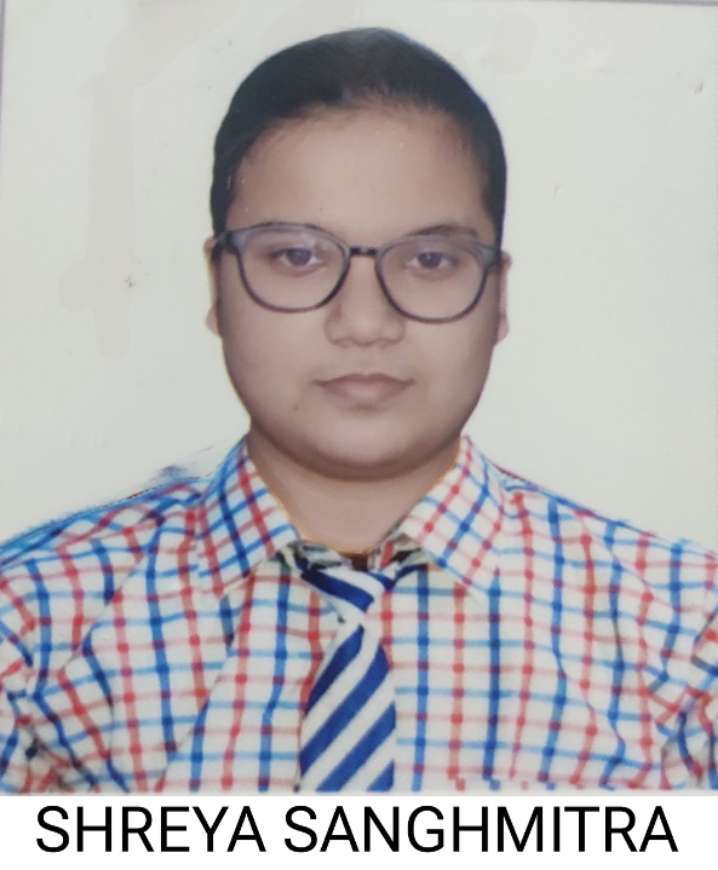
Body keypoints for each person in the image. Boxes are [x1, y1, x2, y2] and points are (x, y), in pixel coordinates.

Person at [0, 26, 716, 795]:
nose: (365, 322)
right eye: (298, 256)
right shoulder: (29, 628)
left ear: (498, 295)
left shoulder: (688, 645)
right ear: (217, 284)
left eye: (430, 260)